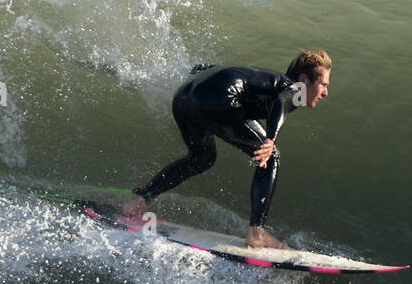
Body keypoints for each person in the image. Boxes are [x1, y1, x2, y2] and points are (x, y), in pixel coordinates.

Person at [120, 49, 331, 249]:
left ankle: (138, 201)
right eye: (323, 84)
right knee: (271, 157)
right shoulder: (296, 89)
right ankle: (256, 232)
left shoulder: (261, 78)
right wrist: (270, 140)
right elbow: (281, 102)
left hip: (184, 97)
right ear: (304, 80)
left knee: (202, 158)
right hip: (222, 98)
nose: (326, 92)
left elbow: (202, 68)